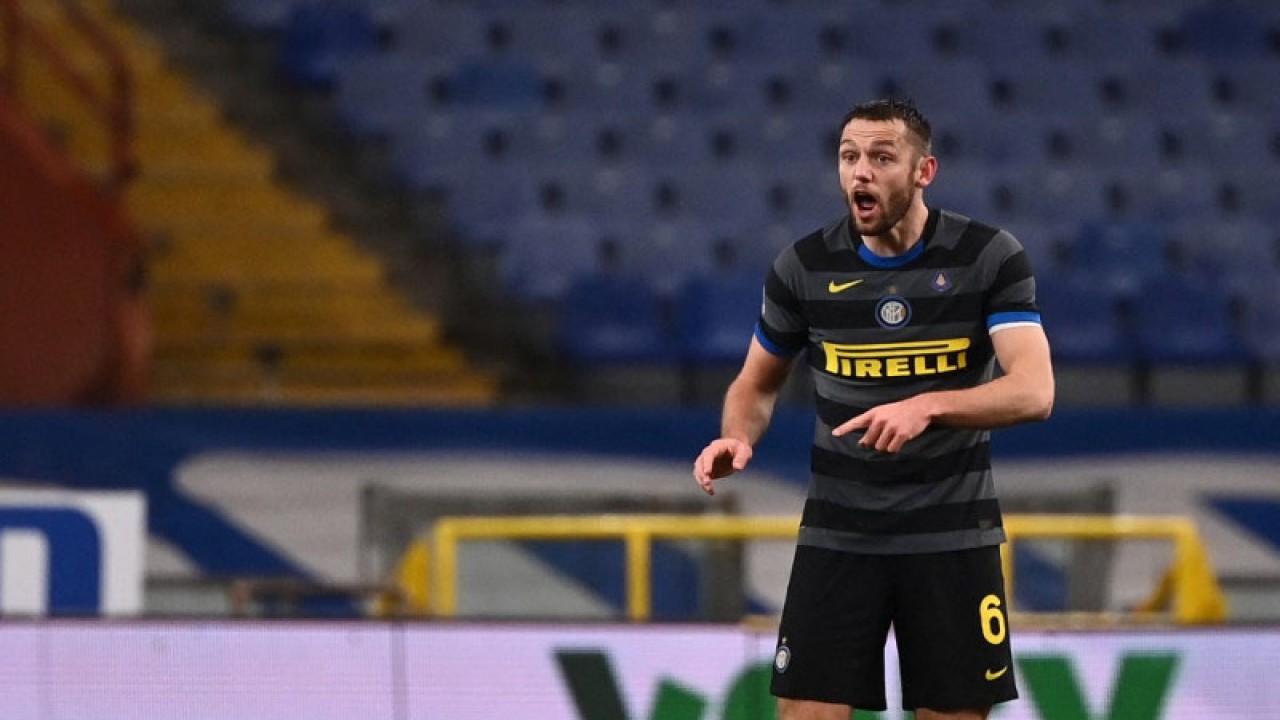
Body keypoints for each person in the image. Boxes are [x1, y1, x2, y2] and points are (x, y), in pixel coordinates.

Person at [692, 98, 1054, 720]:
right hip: (840, 537)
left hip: (951, 537)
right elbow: (755, 385)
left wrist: (929, 406)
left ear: (923, 172)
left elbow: (1034, 390)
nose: (860, 172)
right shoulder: (804, 267)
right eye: (849, 156)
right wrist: (737, 437)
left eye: (882, 158)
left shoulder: (988, 257)